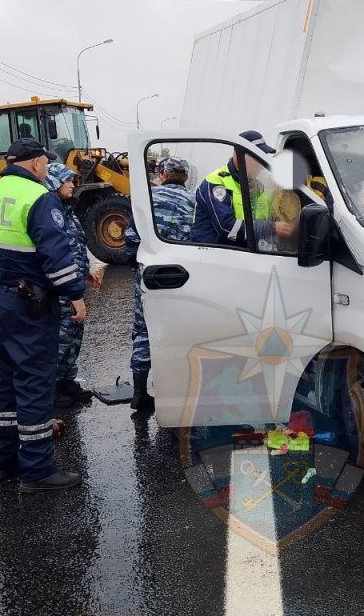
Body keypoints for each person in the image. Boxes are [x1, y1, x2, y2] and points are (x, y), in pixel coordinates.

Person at [0, 138, 87, 494]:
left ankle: (3, 464)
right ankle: (37, 471)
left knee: (5, 381)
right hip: (31, 305)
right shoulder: (39, 198)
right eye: (44, 163)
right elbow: (57, 256)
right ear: (38, 163)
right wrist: (75, 295)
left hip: (0, 301)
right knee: (35, 382)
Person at [125, 157, 196, 413]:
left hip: (151, 275)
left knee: (144, 330)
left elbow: (131, 238)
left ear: (163, 174)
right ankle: (177, 393)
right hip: (185, 275)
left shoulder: (147, 199)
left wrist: (138, 260)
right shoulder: (194, 201)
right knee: (180, 331)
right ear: (185, 177)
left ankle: (140, 394)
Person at [43, 162, 96, 407]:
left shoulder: (67, 211)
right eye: (67, 181)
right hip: (62, 288)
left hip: (74, 282)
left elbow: (76, 244)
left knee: (74, 335)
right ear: (53, 182)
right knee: (61, 337)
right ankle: (51, 391)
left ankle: (66, 381)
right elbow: (54, 252)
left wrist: (87, 270)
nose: (73, 185)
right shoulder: (50, 212)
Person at [190, 130, 296, 247]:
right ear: (238, 155)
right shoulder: (216, 182)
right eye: (256, 157)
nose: (261, 166)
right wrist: (271, 229)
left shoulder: (259, 187)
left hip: (244, 255)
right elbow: (227, 228)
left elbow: (265, 221)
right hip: (210, 256)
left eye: (262, 159)